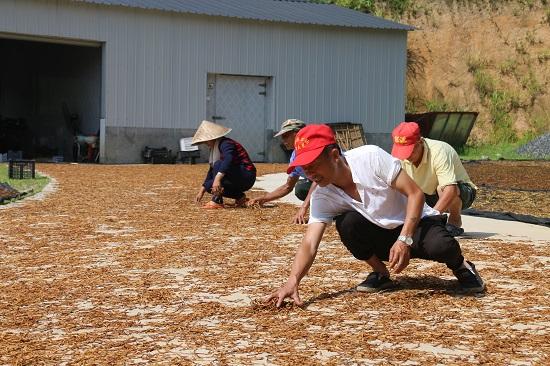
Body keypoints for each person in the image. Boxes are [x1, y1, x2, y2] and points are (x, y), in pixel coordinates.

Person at [266, 124, 485, 307]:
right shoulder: (323, 195)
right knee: (347, 223)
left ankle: (462, 267)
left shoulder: (370, 157)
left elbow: (415, 194)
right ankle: (381, 274)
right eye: (304, 168)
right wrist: (293, 280)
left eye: (313, 165)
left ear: (334, 155)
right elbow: (309, 243)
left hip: (417, 224)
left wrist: (404, 239)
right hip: (382, 233)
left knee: (442, 246)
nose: (309, 173)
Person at [391, 122, 477, 236]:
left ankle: (455, 219)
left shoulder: (439, 151)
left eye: (410, 151)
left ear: (420, 142)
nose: (406, 156)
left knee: (442, 188)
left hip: (462, 193)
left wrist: (430, 220)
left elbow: (450, 190)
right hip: (427, 194)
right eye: (402, 151)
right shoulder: (400, 157)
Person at [248, 119, 317, 224]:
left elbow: (320, 179)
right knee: (302, 189)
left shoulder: (315, 149)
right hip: (322, 184)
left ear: (297, 134)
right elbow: (288, 186)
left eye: (285, 136)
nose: (283, 140)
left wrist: (303, 208)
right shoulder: (295, 155)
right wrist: (263, 199)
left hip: (336, 183)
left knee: (305, 187)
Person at [192, 120, 256, 209]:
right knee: (209, 186)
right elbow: (211, 171)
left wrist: (217, 179)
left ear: (213, 138)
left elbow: (228, 160)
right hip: (235, 175)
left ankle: (217, 200)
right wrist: (201, 191)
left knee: (218, 165)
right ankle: (240, 197)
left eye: (207, 141)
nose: (206, 144)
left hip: (246, 175)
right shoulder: (215, 150)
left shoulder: (226, 143)